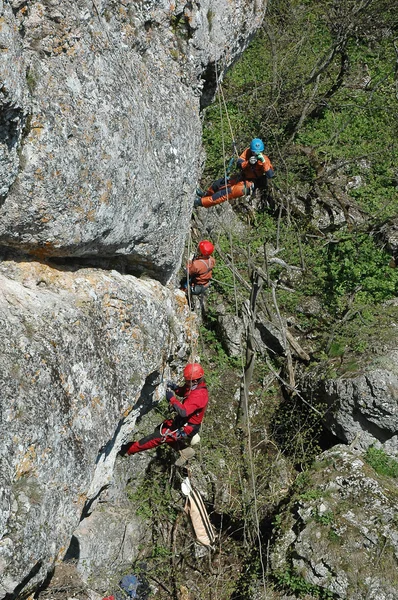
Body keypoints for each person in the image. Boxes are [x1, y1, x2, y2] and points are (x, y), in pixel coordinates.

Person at [119, 363, 208, 465]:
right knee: (160, 429)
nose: (186, 382)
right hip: (183, 422)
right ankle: (185, 450)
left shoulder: (199, 395)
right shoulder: (195, 386)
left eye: (187, 380)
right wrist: (175, 388)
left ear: (195, 380)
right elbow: (185, 392)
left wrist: (171, 398)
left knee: (157, 437)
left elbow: (183, 412)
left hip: (187, 427)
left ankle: (128, 450)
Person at [195, 138, 274, 208]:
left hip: (248, 185)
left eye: (258, 152)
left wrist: (263, 162)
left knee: (225, 193)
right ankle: (205, 196)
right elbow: (239, 164)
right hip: (241, 178)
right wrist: (248, 162)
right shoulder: (247, 152)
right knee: (218, 184)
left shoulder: (265, 160)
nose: (255, 154)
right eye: (253, 152)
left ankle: (200, 202)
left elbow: (270, 174)